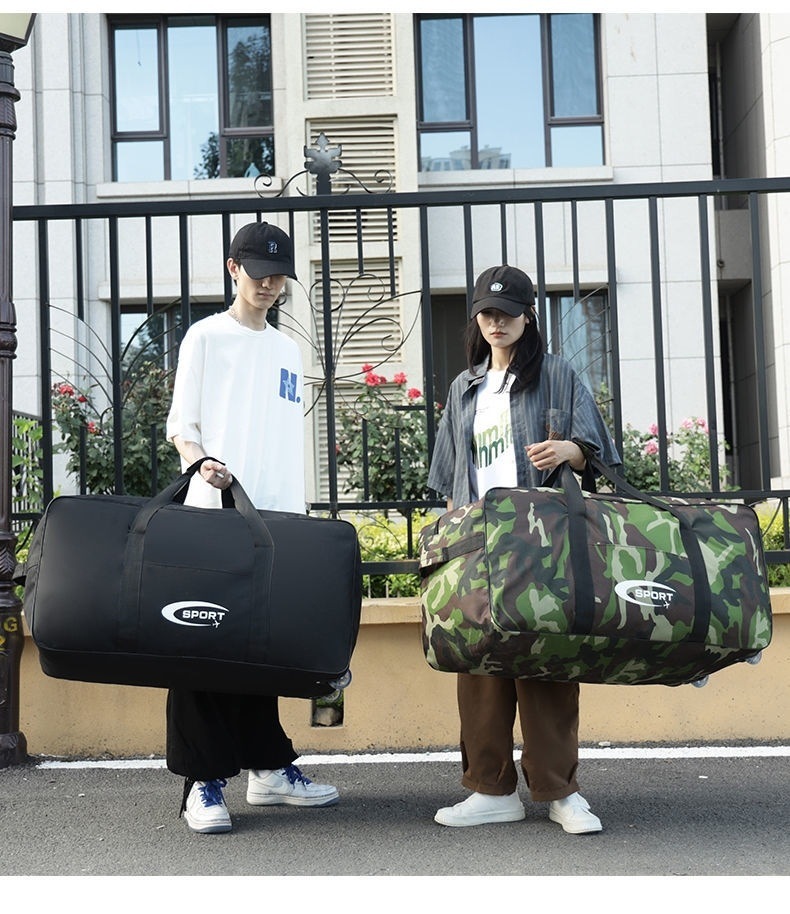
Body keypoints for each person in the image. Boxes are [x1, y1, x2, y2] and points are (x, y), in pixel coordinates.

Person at [427, 264, 621, 834]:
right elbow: (450, 479)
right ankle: (490, 791)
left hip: (544, 540)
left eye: (508, 313)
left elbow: (599, 452)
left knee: (548, 661)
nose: (497, 323)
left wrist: (568, 450)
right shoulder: (465, 388)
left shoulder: (557, 374)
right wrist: (451, 546)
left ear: (528, 317)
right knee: (481, 664)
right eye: (487, 313)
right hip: (480, 542)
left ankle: (560, 792)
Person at [165, 220, 339, 834]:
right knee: (202, 644)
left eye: (277, 277)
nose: (268, 285)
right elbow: (182, 424)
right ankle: (203, 782)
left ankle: (267, 767)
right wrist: (200, 463)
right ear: (233, 269)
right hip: (213, 513)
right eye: (258, 274)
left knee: (260, 643)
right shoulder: (205, 337)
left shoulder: (287, 350)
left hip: (277, 518)